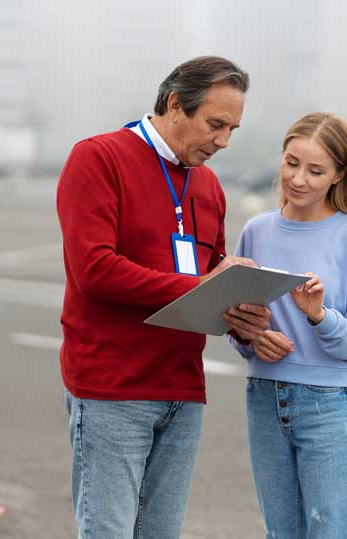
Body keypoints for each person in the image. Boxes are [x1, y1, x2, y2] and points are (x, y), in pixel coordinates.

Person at [56, 56, 273, 538]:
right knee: (108, 531)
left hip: (182, 390)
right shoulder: (98, 157)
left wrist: (244, 315)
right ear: (176, 105)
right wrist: (200, 287)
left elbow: (213, 279)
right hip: (112, 388)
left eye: (233, 129)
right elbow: (94, 270)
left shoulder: (209, 185)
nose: (223, 141)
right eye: (215, 124)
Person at [223, 112, 347, 539]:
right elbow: (238, 320)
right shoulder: (255, 231)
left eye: (316, 170)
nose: (299, 179)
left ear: (338, 175)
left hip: (329, 405)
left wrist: (319, 315)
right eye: (292, 163)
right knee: (281, 534)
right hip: (264, 401)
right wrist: (252, 339)